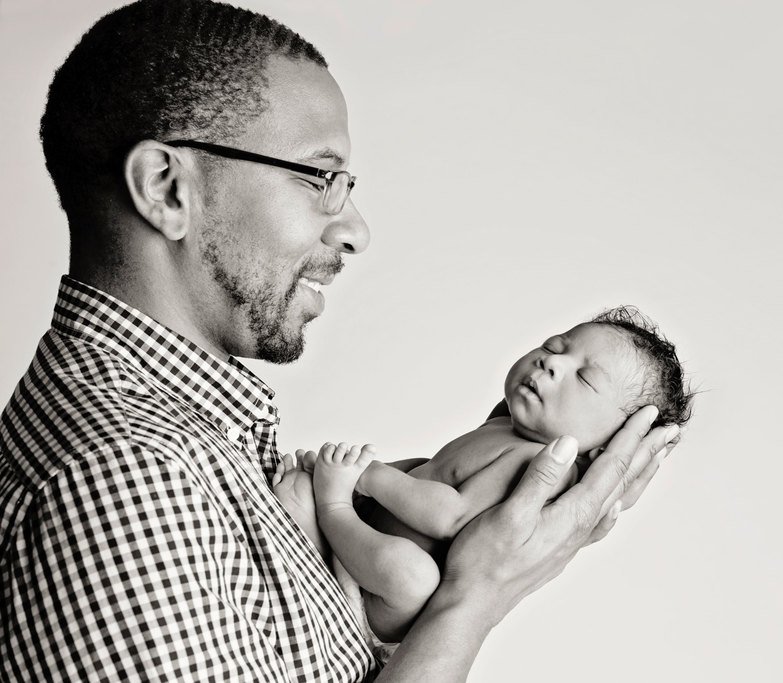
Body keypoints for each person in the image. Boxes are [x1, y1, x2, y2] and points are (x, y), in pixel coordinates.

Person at [0, 1, 680, 680]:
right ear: (167, 189)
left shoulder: (201, 446)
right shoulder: (124, 479)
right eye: (318, 178)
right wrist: (476, 596)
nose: (355, 228)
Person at [271, 306, 692, 655]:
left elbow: (449, 516)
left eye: (585, 379)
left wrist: (366, 476)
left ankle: (331, 510)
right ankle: (327, 520)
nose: (552, 362)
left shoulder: (539, 463)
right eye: (553, 347)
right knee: (388, 472)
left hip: (388, 601)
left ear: (608, 447)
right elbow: (430, 472)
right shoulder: (506, 427)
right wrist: (372, 475)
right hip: (369, 544)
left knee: (412, 573)